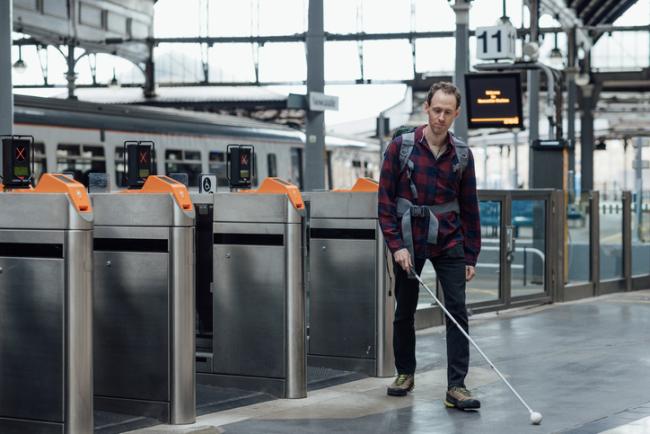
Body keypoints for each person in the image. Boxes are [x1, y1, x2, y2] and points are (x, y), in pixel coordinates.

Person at [378, 81, 481, 410]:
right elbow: (385, 202)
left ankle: (456, 387)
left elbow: (470, 207)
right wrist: (397, 245)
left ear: (456, 114)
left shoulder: (462, 155)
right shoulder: (401, 148)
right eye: (436, 110)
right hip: (409, 240)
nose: (440, 117)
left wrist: (471, 254)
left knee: (457, 312)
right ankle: (405, 373)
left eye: (447, 112)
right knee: (404, 310)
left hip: (450, 240)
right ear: (427, 108)